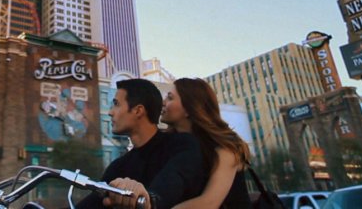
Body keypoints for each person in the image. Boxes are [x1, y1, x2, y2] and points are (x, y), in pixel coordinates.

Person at [76, 79, 206, 209]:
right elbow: (92, 202)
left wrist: (148, 199)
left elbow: (174, 180)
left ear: (138, 111)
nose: (110, 112)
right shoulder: (118, 167)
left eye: (116, 104)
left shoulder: (181, 144)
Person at [162, 78, 252, 209]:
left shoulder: (225, 147)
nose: (163, 102)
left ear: (188, 109)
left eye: (170, 98)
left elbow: (209, 203)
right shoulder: (170, 146)